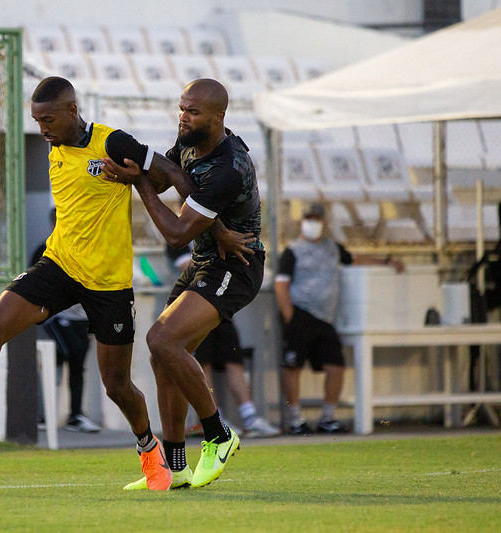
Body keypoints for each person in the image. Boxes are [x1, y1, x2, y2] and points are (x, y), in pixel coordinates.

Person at [0, 76, 201, 491]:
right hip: (59, 266)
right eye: (38, 121)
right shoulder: (56, 147)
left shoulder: (112, 143)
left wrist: (199, 220)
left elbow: (170, 173)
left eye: (50, 119)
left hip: (108, 282)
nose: (43, 129)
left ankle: (149, 450)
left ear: (73, 111)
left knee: (116, 386)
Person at [102, 78, 263, 489]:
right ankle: (175, 467)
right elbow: (170, 181)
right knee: (164, 356)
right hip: (205, 261)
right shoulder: (190, 141)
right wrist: (137, 171)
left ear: (218, 116)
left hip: (236, 266)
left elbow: (175, 232)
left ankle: (219, 435)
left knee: (162, 340)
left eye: (192, 111)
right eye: (181, 108)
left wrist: (138, 182)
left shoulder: (230, 165)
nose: (183, 117)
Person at [275, 202, 404, 435]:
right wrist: (290, 316)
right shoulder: (293, 251)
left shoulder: (332, 248)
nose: (312, 223)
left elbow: (355, 259)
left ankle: (327, 418)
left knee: (336, 366)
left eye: (317, 218)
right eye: (309, 218)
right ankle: (295, 419)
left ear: (324, 222)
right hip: (300, 314)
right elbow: (281, 284)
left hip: (325, 318)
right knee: (293, 366)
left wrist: (386, 262)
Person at [168, 245, 279, 439]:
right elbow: (192, 269)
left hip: (220, 305)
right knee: (203, 364)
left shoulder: (215, 231)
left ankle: (249, 416)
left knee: (233, 359)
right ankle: (215, 418)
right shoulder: (179, 238)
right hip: (193, 310)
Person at [30, 208, 101, 433]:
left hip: (81, 316)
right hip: (57, 316)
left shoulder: (87, 246)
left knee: (78, 362)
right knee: (64, 354)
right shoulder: (45, 250)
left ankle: (75, 415)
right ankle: (43, 415)